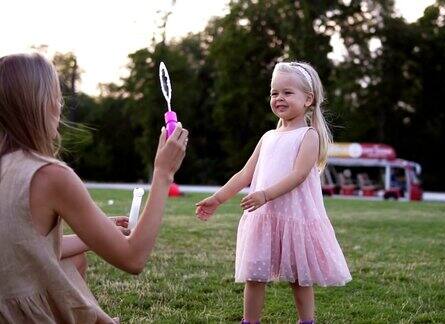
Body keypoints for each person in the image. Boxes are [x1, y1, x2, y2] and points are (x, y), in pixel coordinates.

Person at [0, 53, 188, 323]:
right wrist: (163, 174)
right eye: (56, 95)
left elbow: (26, 250)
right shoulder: (50, 176)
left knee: (73, 261)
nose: (60, 104)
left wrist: (95, 234)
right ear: (41, 105)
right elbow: (133, 258)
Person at [196, 61, 351, 324]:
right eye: (274, 92)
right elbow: (245, 174)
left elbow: (299, 175)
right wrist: (218, 198)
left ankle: (306, 321)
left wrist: (265, 194)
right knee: (254, 276)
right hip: (264, 217)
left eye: (287, 92)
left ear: (308, 99)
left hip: (294, 218)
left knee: (299, 278)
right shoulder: (268, 136)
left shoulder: (308, 135)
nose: (279, 98)